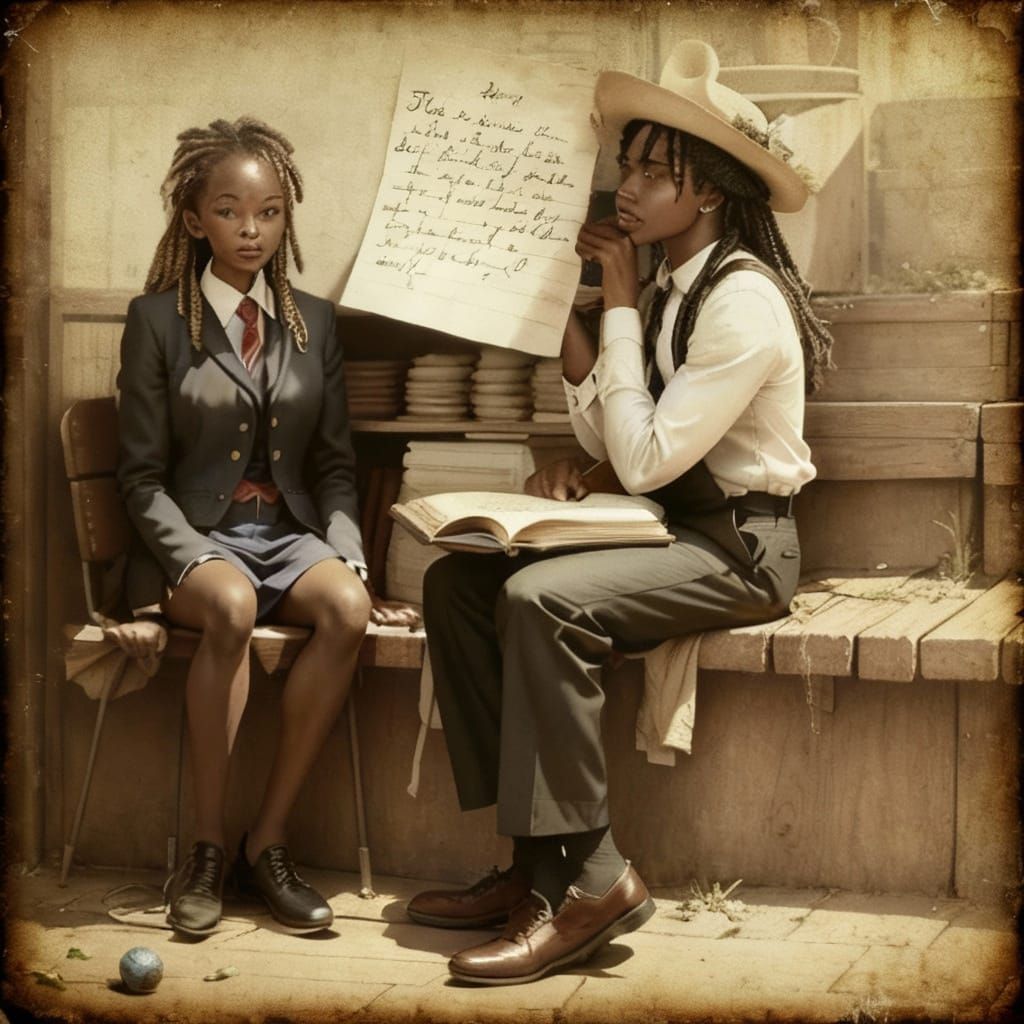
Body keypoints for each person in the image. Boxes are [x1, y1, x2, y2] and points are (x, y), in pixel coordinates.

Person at [404, 40, 833, 985]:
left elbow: (638, 459)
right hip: (669, 528)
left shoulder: (743, 303)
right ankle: (535, 868)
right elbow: (610, 437)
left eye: (653, 172)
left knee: (543, 601)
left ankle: (593, 881)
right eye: (625, 165)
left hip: (741, 548)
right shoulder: (672, 285)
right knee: (462, 585)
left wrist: (623, 303)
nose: (626, 189)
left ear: (709, 191)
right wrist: (572, 318)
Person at [113, 117, 419, 937]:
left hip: (289, 535)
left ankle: (267, 844)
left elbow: (333, 466)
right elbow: (140, 480)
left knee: (348, 612)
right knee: (233, 607)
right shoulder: (156, 322)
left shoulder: (312, 321)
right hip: (198, 541)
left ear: (287, 218)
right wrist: (188, 560)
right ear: (192, 221)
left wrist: (349, 556)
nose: (252, 230)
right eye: (229, 211)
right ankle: (206, 852)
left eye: (270, 213)